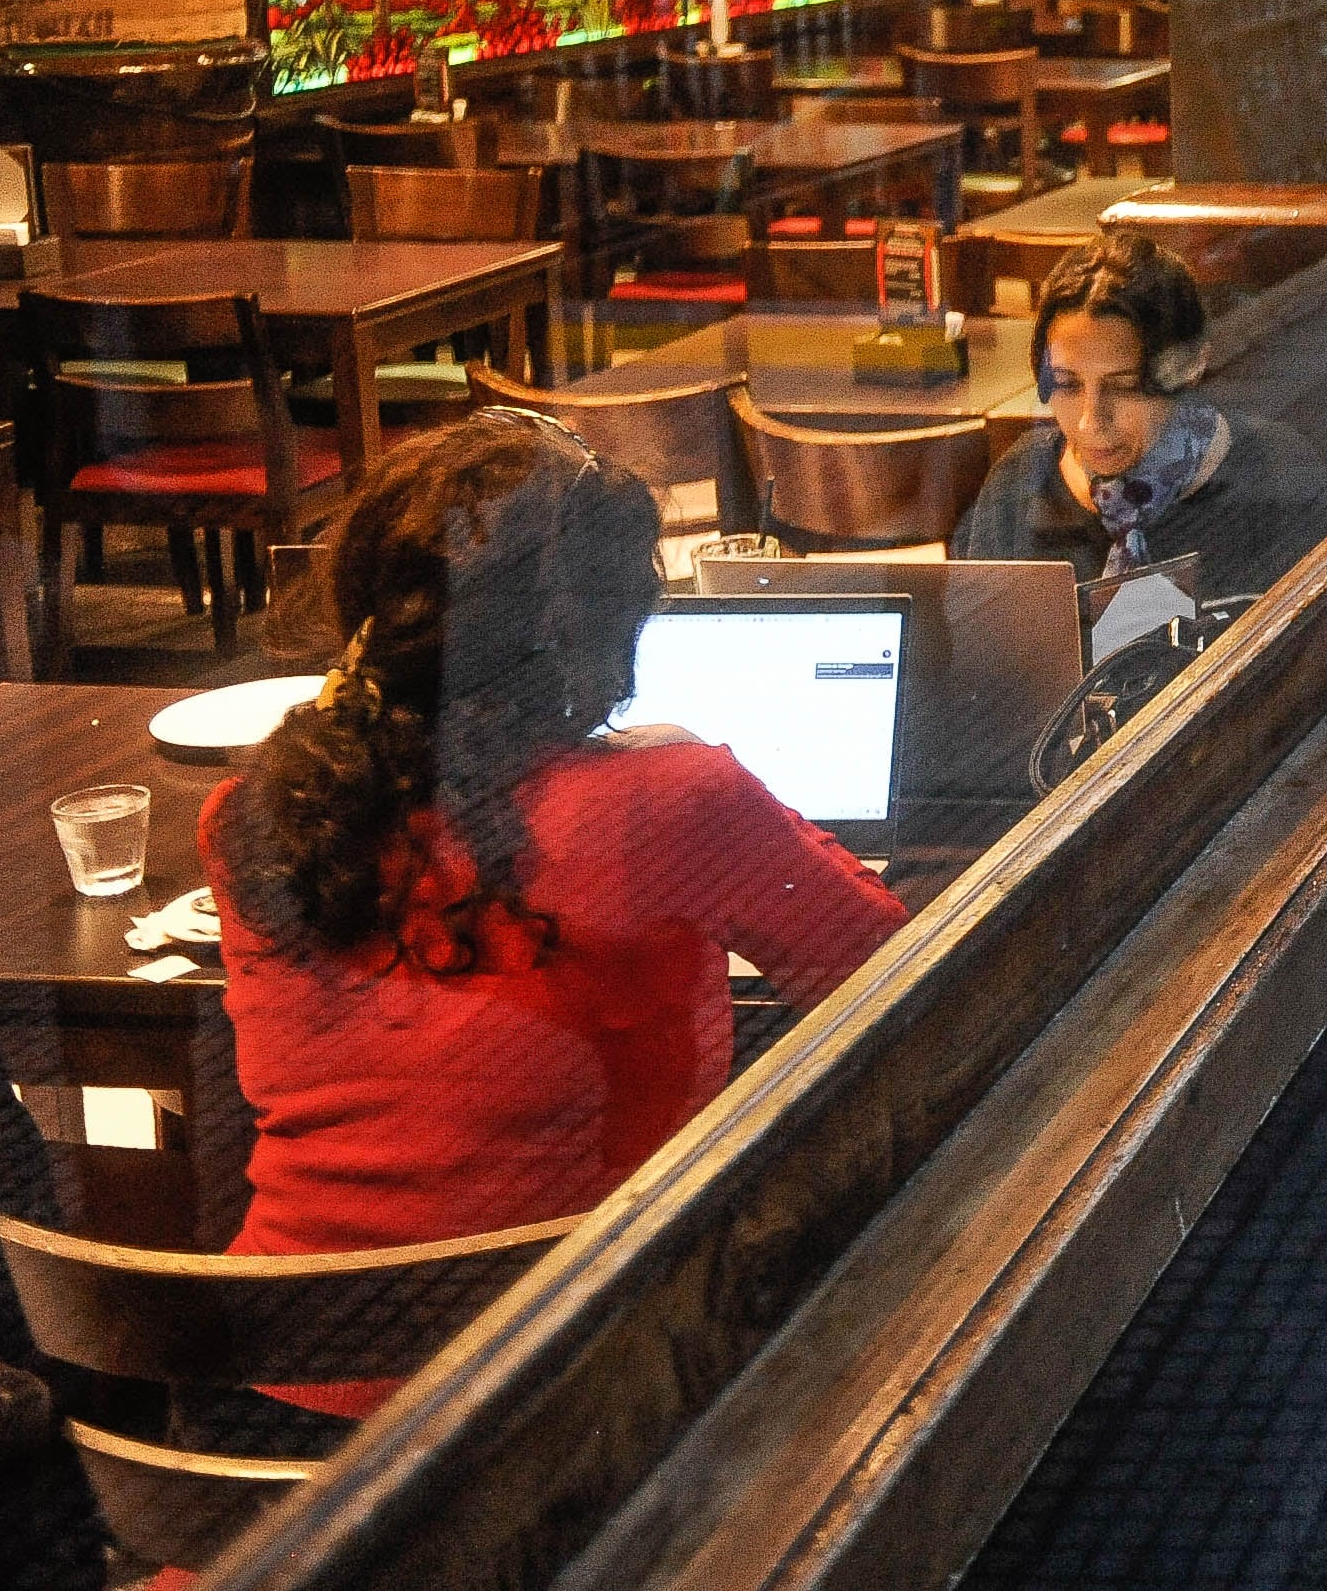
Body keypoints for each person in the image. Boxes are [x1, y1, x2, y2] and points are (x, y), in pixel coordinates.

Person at [202, 413, 908, 1411]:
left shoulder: (257, 810)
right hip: (565, 1424)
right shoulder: (669, 802)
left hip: (256, 1449)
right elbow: (897, 978)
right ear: (599, 635)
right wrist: (688, 769)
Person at [955, 232, 1327, 596]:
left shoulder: (1277, 477)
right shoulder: (1019, 485)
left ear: (1190, 367)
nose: (1091, 421)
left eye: (1125, 387)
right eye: (1068, 385)